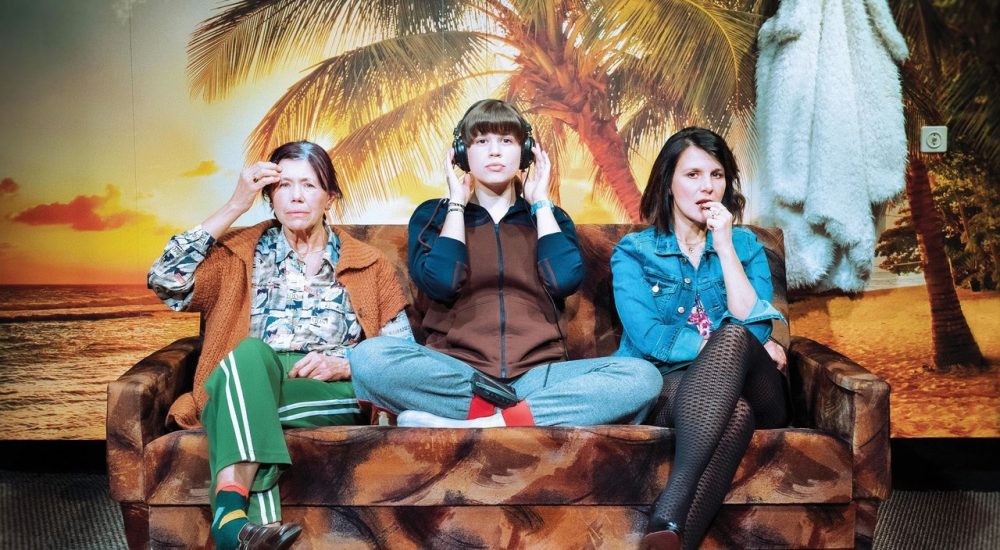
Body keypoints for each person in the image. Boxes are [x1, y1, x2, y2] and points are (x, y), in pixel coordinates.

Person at [148, 141, 412, 550]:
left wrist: (349, 364)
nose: (296, 196)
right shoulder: (237, 254)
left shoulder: (370, 264)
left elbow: (403, 357)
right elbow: (166, 281)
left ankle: (230, 519)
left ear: (330, 197)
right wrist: (235, 204)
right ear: (269, 196)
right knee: (249, 355)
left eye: (309, 184)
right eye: (284, 185)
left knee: (230, 406)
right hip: (250, 376)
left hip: (332, 388)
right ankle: (241, 529)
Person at [349, 99, 661, 428]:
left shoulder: (550, 219)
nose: (495, 151)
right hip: (459, 377)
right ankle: (509, 417)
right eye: (482, 141)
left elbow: (563, 281)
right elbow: (443, 283)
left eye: (507, 141)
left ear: (525, 152)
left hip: (539, 378)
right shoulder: (433, 216)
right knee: (370, 357)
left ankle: (485, 423)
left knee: (643, 377)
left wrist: (541, 203)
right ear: (461, 153)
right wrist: (456, 205)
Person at [610, 127, 790, 550]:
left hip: (757, 388)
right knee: (735, 412)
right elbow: (650, 338)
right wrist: (726, 347)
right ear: (668, 183)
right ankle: (672, 531)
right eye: (692, 174)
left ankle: (668, 507)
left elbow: (755, 328)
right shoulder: (634, 252)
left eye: (716, 175)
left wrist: (724, 246)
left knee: (735, 336)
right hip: (669, 385)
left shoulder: (745, 245)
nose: (707, 186)